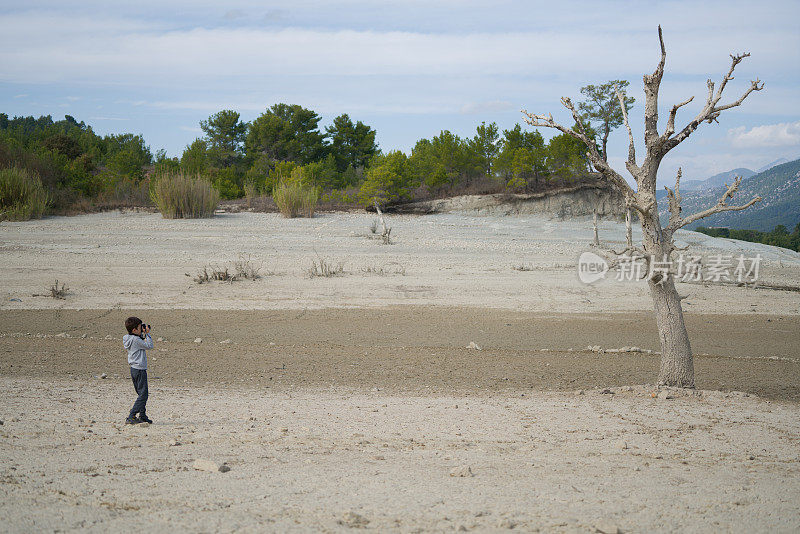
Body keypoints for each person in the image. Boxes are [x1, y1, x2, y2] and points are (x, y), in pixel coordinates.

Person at [123, 316, 154, 425]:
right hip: (140, 369)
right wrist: (147, 334)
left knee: (141, 393)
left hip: (133, 369)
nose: (142, 329)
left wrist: (142, 333)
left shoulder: (128, 338)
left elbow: (138, 339)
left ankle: (142, 415)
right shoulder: (136, 340)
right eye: (140, 327)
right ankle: (131, 416)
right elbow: (149, 346)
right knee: (143, 395)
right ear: (134, 330)